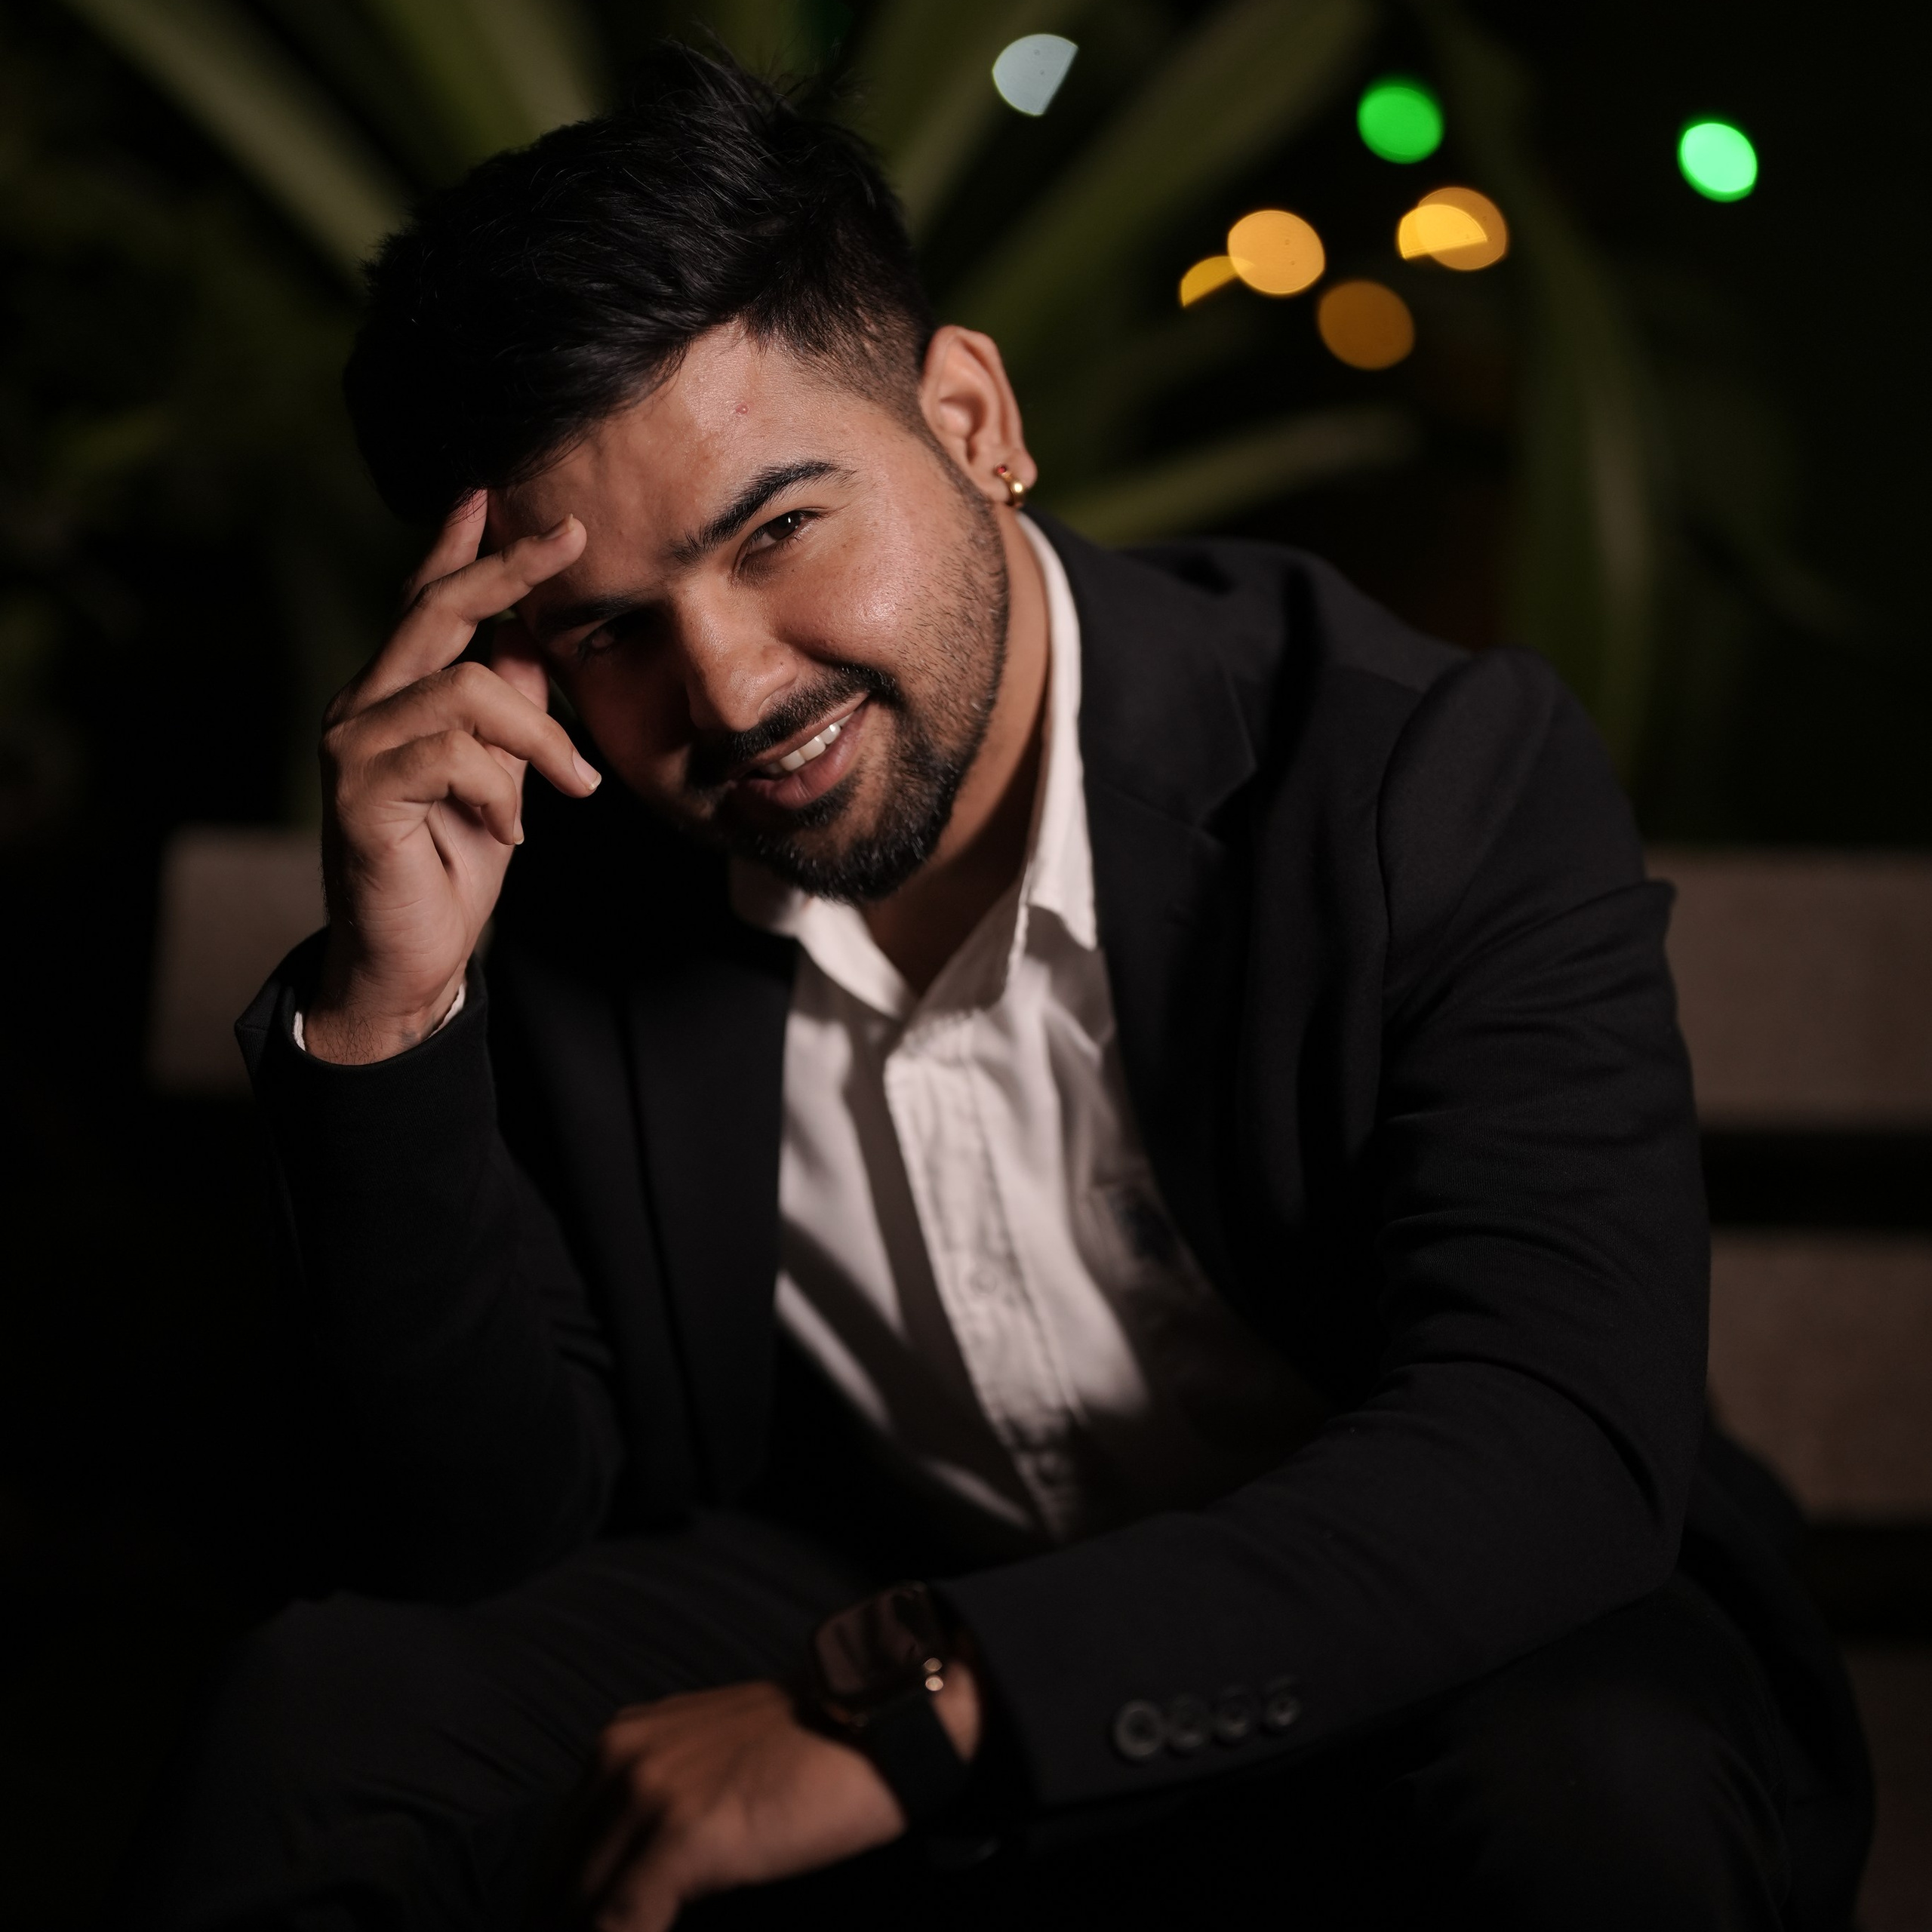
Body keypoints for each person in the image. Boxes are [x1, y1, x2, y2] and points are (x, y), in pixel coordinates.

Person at [117, 44, 1869, 1932]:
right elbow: (484, 1535)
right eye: (606, 626)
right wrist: (389, 1006)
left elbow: (1543, 1438)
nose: (722, 688)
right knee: (331, 1726)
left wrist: (925, 1704)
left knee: (1589, 1785)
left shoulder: (1425, 774)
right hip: (856, 1577)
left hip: (1414, 1638)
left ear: (969, 415)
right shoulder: (563, 853)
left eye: (776, 529)